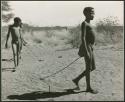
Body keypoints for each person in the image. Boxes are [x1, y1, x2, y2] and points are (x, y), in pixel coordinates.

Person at [72, 7, 98, 94]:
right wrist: (86, 51)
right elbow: (83, 38)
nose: (93, 15)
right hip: (86, 47)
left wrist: (92, 45)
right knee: (88, 67)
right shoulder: (84, 23)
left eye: (93, 13)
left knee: (92, 67)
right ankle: (88, 88)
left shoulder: (90, 24)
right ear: (86, 14)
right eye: (91, 13)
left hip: (90, 47)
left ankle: (76, 79)